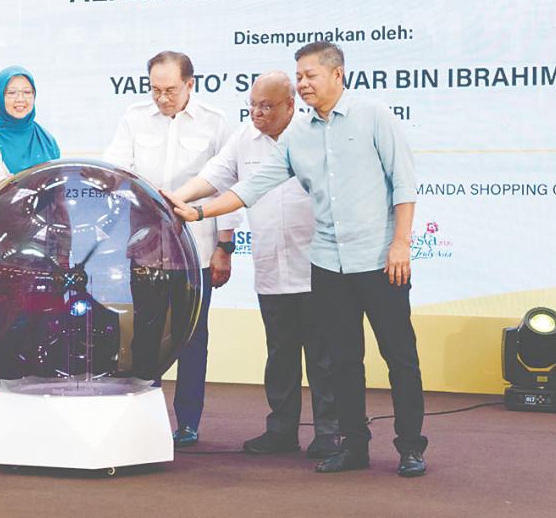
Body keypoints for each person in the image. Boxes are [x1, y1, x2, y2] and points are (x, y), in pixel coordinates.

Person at [162, 42, 428, 477]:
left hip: (380, 259)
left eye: (310, 76)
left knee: (400, 355)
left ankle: (411, 447)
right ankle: (353, 446)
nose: (304, 83)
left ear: (338, 75)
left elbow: (404, 183)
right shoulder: (299, 136)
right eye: (299, 76)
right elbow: (252, 185)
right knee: (343, 360)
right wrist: (197, 210)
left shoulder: (374, 115)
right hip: (326, 264)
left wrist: (401, 243)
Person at [169, 71, 340, 459]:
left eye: (266, 106)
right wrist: (175, 199)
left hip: (317, 264)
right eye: (253, 105)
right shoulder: (244, 137)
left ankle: (330, 432)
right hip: (271, 264)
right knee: (279, 354)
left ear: (289, 105)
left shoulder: (313, 133)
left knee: (322, 356)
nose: (258, 113)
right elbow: (213, 176)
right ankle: (281, 430)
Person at [103, 50, 239, 448]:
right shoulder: (134, 116)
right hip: (144, 247)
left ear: (190, 84)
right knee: (145, 334)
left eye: (171, 90)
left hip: (195, 250)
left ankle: (189, 423)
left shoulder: (216, 122)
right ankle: (143, 417)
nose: (162, 98)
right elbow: (116, 165)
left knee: (193, 337)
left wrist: (224, 247)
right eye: (155, 89)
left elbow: (229, 185)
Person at [0, 64, 60, 436]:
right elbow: (5, 191)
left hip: (42, 252)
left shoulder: (45, 139)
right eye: (12, 93)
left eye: (26, 93)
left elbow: (58, 189)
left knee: (36, 328)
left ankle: (30, 416)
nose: (20, 100)